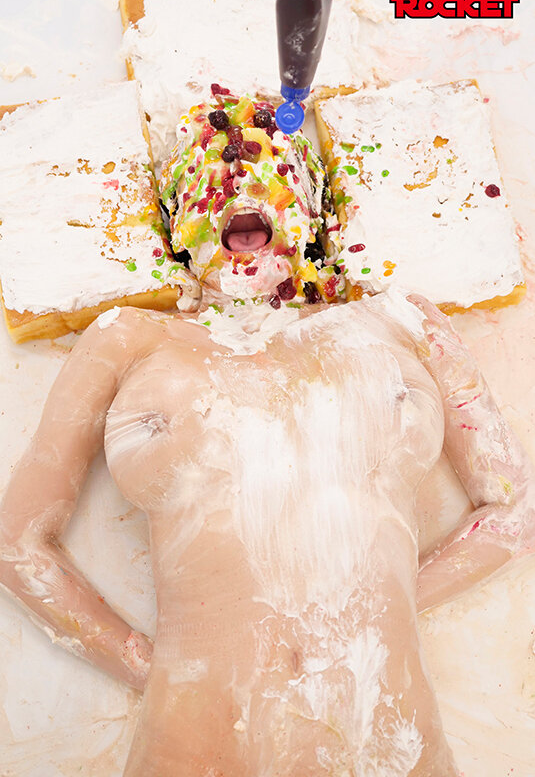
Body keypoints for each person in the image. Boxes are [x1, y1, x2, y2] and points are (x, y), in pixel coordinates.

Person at [1, 91, 534, 777]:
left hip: (385, 730)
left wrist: (385, 608)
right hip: (192, 736)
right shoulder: (127, 337)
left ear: (314, 210)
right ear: (175, 220)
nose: (241, 189)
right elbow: (17, 541)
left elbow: (514, 509)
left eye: (273, 172)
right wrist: (149, 664)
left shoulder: (403, 322)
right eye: (209, 180)